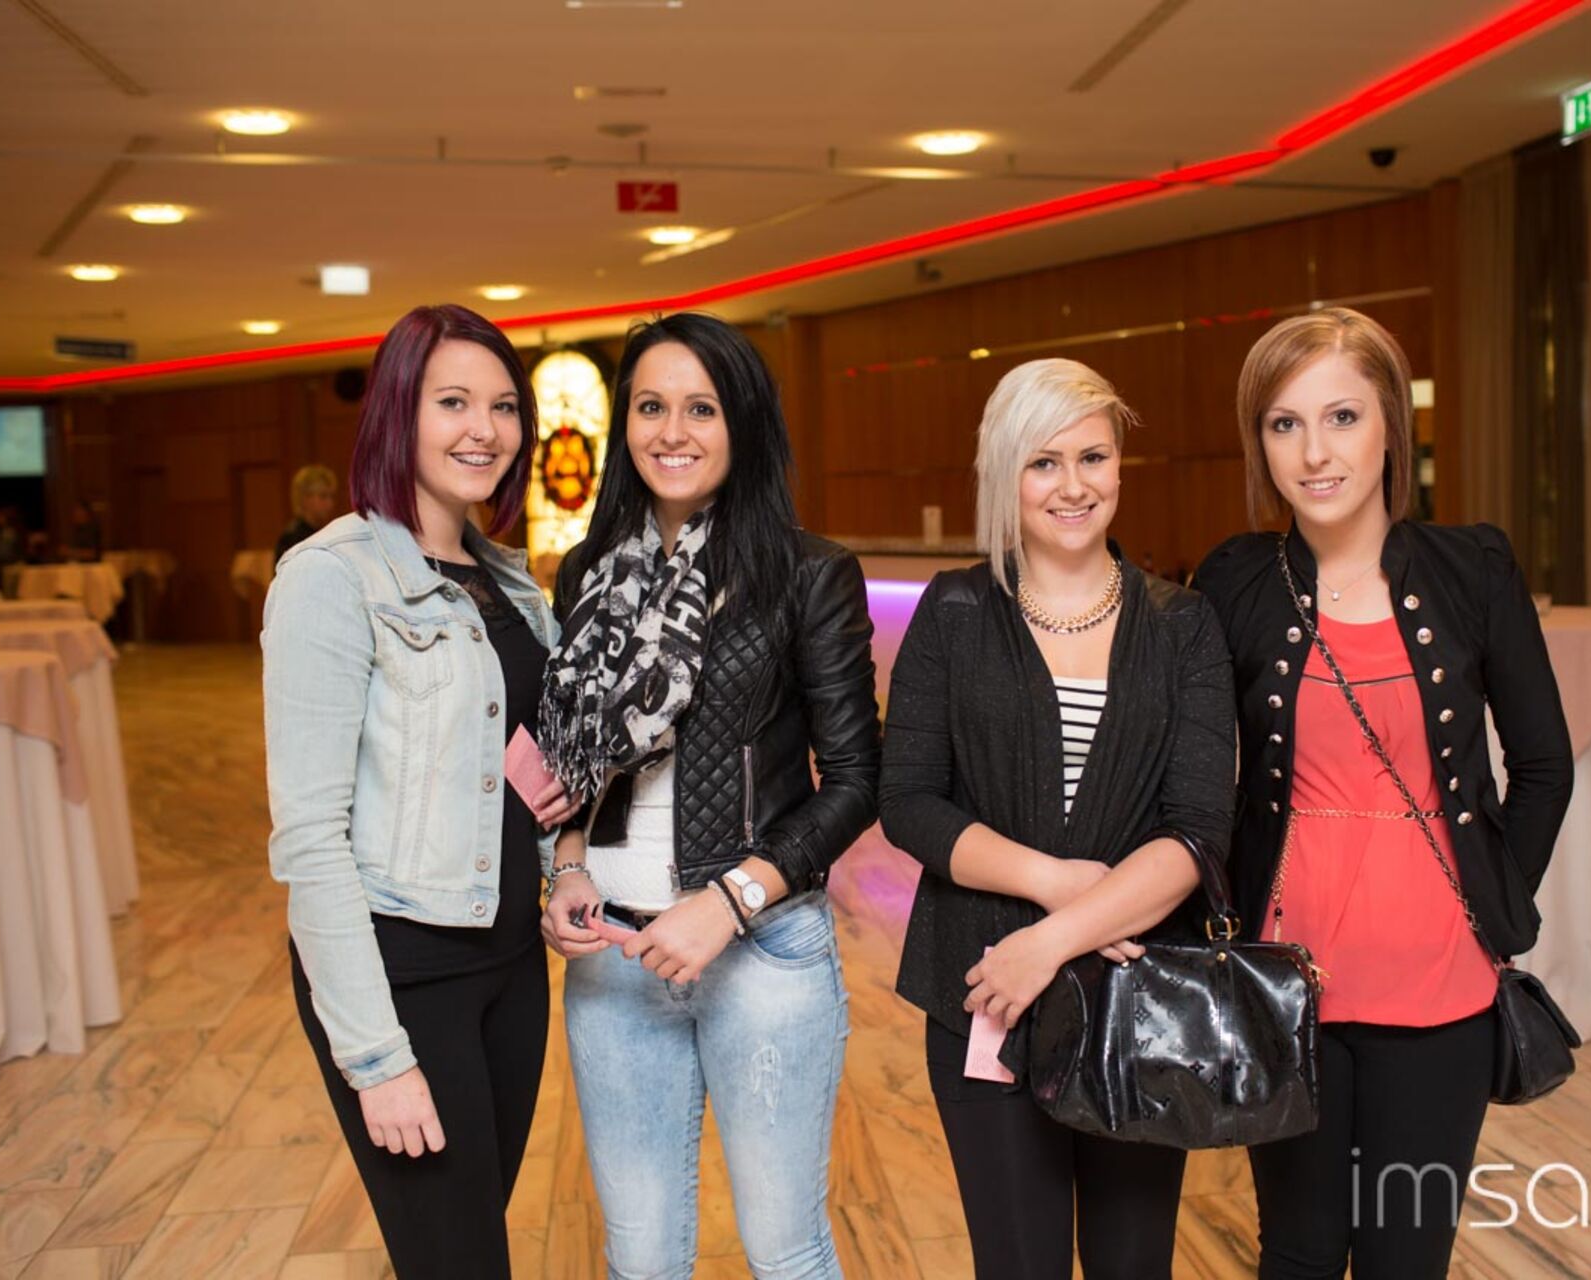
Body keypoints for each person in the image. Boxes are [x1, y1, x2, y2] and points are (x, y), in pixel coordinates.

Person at [1192, 308, 1573, 1278]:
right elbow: (1188, 779)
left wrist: (1493, 910)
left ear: (1392, 424)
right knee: (1300, 1251)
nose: (1315, 453)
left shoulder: (1472, 569)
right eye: (1284, 424)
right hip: (1286, 982)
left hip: (1442, 983)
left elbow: (1543, 766)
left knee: (1409, 1254)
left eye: (1343, 417)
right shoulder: (1234, 581)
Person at [537, 312, 880, 1280]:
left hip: (762, 951)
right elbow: (571, 762)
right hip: (614, 955)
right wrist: (567, 867)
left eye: (702, 408)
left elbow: (858, 781)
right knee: (641, 1256)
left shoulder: (807, 573)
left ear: (744, 424)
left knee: (785, 1248)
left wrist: (729, 900)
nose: (673, 431)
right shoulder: (588, 574)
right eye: (651, 406)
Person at [880, 358, 1235, 1279]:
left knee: (1133, 1264)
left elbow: (1198, 829)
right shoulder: (956, 612)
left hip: (1139, 1000)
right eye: (1044, 462)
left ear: (1119, 465)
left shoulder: (1185, 627)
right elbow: (908, 800)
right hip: (983, 991)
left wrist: (1054, 939)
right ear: (1006, 474)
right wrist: (1055, 883)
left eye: (1093, 458)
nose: (1073, 486)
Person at [262, 304, 577, 1279]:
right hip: (404, 976)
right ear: (398, 411)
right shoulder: (331, 575)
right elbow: (310, 837)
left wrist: (565, 863)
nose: (485, 428)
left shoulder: (510, 582)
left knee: (469, 1238)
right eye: (453, 402)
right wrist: (375, 1055)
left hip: (511, 962)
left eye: (504, 406)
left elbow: (520, 757)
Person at [276, 463, 340, 561]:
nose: (330, 503)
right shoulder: (292, 539)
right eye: (323, 496)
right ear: (305, 498)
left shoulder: (323, 533)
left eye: (331, 497)